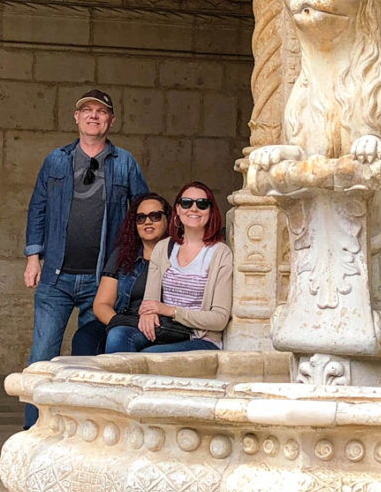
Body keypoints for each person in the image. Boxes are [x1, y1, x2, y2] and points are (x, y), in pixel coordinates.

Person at [22, 89, 148, 429]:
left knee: (91, 357)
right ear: (76, 118)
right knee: (42, 356)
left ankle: (84, 429)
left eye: (101, 111)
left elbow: (143, 212)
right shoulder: (56, 160)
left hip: (102, 281)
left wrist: (136, 263)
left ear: (111, 121)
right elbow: (38, 208)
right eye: (87, 111)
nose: (94, 115)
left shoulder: (125, 163)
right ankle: (34, 428)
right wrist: (34, 256)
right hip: (56, 276)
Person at [105, 181, 233, 354]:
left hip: (200, 338)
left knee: (148, 356)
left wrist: (170, 311)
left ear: (210, 212)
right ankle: (115, 382)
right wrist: (148, 314)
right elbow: (150, 301)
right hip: (166, 330)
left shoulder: (221, 253)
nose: (193, 209)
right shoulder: (164, 248)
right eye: (186, 203)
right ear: (178, 210)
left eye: (202, 204)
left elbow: (219, 319)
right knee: (118, 335)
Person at [69, 194, 172, 355]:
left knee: (119, 337)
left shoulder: (179, 255)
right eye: (141, 218)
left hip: (160, 325)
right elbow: (101, 304)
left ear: (168, 220)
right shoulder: (123, 255)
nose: (148, 221)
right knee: (85, 335)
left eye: (155, 216)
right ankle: (85, 380)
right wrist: (119, 323)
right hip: (122, 319)